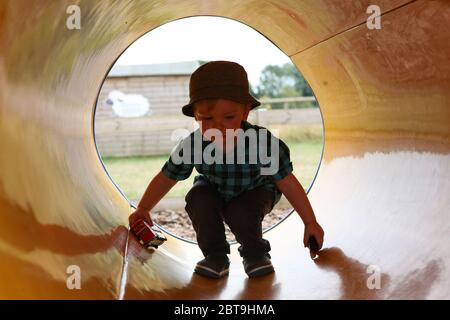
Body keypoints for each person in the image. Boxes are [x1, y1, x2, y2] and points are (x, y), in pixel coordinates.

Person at [129, 61, 324, 278]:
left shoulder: (262, 143)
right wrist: (144, 208)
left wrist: (310, 222)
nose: (218, 126)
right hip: (215, 189)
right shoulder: (193, 145)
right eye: (207, 118)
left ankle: (255, 254)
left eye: (228, 117)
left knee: (240, 210)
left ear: (245, 112)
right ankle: (215, 256)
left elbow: (287, 182)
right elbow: (167, 177)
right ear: (195, 115)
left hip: (256, 190)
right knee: (197, 196)